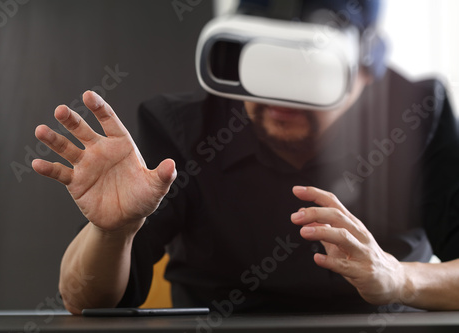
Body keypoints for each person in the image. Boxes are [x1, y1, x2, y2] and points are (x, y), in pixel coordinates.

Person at [33, 0, 459, 315]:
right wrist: (113, 233)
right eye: (265, 63)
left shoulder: (417, 113)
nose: (279, 96)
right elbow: (83, 301)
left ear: (365, 73)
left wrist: (399, 277)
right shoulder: (184, 128)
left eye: (309, 69)